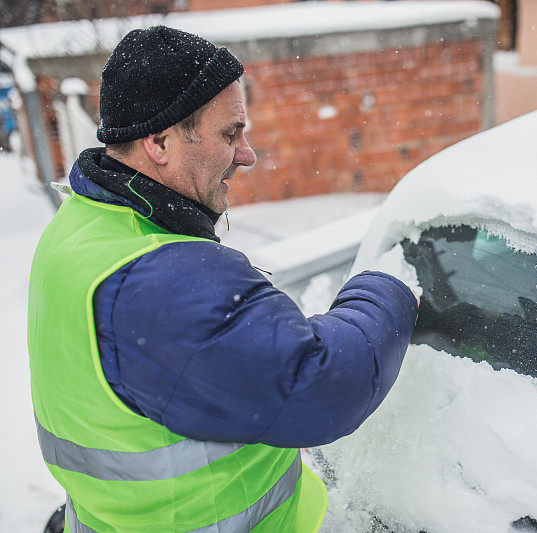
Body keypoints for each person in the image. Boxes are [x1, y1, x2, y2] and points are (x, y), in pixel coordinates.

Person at [28, 26, 419, 532]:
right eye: (229, 133)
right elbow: (323, 381)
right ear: (160, 142)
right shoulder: (161, 281)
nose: (247, 153)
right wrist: (388, 290)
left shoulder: (80, 227)